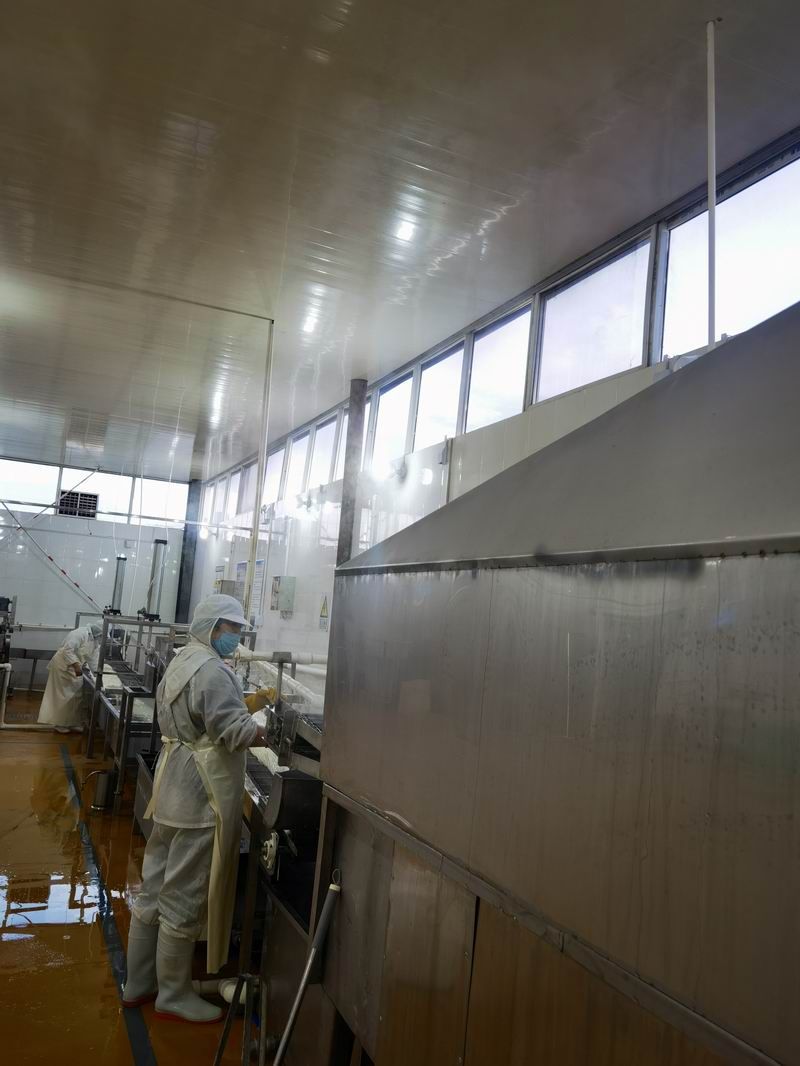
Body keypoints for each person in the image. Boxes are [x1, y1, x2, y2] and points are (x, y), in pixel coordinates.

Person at [122, 594, 273, 1023]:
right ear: (213, 628)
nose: (237, 637)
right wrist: (268, 733)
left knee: (154, 889)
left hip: (172, 788)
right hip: (199, 795)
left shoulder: (185, 659)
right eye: (232, 629)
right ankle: (173, 993)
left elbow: (200, 713)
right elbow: (233, 733)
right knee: (183, 896)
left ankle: (139, 984)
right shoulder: (213, 671)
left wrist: (248, 703)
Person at [37, 621, 103, 733]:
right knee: (62, 697)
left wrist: (98, 674)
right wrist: (76, 665)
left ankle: (72, 723)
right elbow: (67, 650)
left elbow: (93, 659)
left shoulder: (95, 641)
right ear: (98, 631)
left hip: (75, 669)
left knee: (75, 696)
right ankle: (59, 724)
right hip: (63, 667)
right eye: (102, 634)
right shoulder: (79, 633)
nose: (101, 637)